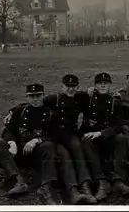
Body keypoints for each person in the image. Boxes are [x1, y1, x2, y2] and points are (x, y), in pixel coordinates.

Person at [0, 83, 72, 204]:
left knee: (49, 145)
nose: (35, 99)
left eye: (38, 96)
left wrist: (36, 140)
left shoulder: (51, 114)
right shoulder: (20, 111)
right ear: (27, 98)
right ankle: (19, 180)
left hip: (37, 156)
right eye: (32, 96)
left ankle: (46, 188)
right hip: (18, 152)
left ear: (43, 96)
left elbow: (55, 136)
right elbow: (8, 131)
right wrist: (12, 143)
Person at [79, 72, 129, 202]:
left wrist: (102, 133)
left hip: (106, 136)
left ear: (110, 85)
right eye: (100, 83)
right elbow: (72, 97)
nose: (103, 86)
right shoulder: (88, 100)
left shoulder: (115, 102)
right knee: (85, 140)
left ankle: (119, 182)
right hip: (92, 138)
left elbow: (118, 125)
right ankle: (102, 183)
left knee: (121, 138)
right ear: (95, 86)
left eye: (106, 83)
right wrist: (86, 91)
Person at [43, 74, 97, 203]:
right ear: (62, 86)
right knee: (65, 155)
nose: (71, 89)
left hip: (69, 135)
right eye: (68, 86)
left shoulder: (80, 98)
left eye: (74, 87)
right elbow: (34, 102)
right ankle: (73, 190)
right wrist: (12, 112)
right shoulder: (53, 99)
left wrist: (92, 91)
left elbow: (95, 99)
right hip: (54, 137)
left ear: (78, 87)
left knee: (78, 147)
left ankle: (85, 187)